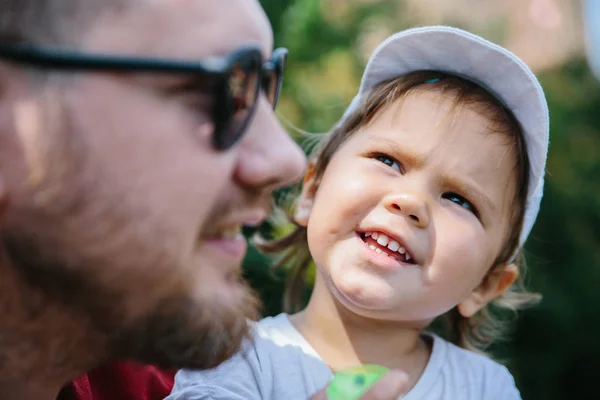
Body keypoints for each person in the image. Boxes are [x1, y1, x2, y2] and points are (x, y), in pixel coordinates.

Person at [167, 25, 550, 399]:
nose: (411, 201)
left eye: (460, 199)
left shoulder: (486, 388)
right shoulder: (234, 359)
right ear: (312, 189)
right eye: (388, 160)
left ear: (484, 285)